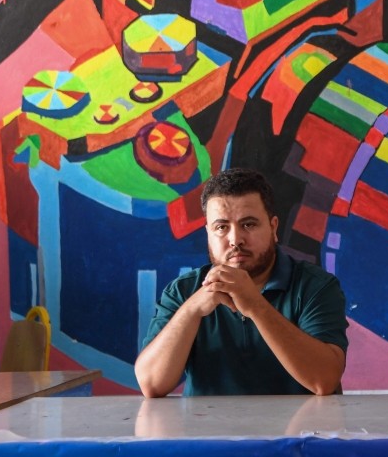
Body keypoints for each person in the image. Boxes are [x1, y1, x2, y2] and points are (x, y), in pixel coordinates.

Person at [134, 168, 348, 397]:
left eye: (248, 224)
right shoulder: (183, 291)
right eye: (221, 227)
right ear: (208, 233)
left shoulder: (315, 287)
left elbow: (324, 381)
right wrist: (193, 309)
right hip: (208, 429)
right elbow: (152, 385)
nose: (235, 239)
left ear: (273, 228)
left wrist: (255, 305)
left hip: (299, 432)